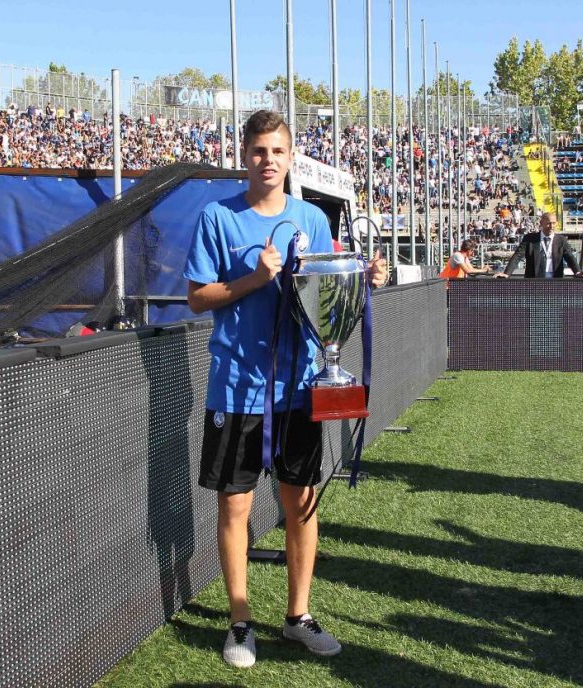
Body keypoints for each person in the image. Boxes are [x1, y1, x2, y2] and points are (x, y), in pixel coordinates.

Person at [182, 110, 386, 669]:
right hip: (236, 388)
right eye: (257, 151)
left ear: (290, 157)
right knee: (237, 506)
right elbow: (197, 298)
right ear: (243, 156)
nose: (267, 160)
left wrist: (363, 278)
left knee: (300, 502)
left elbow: (328, 288)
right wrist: (254, 279)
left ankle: (298, 615)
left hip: (298, 387)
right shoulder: (217, 218)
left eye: (277, 151)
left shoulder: (311, 220)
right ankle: (240, 621)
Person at [497, 212, 583, 278]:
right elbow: (517, 256)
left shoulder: (561, 240)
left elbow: (570, 257)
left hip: (556, 281)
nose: (551, 226)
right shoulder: (529, 238)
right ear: (541, 223)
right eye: (548, 223)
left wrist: (577, 271)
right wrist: (506, 273)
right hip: (534, 281)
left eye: (554, 223)